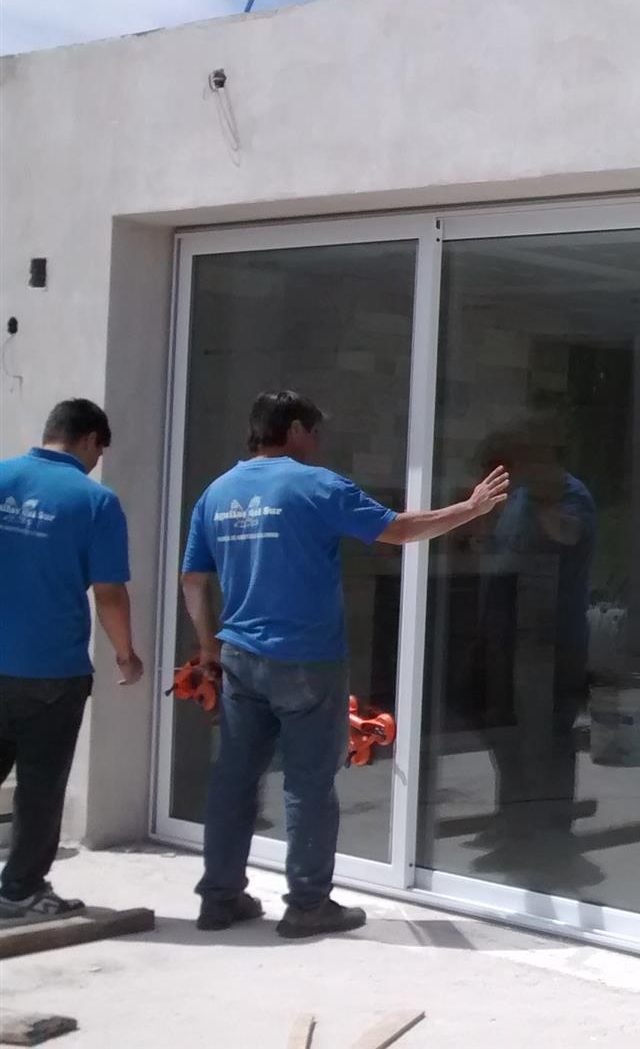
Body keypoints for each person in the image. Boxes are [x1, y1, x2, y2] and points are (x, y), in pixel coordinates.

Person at [181, 390, 509, 938]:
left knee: (234, 780)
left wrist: (208, 648)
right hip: (306, 661)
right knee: (308, 784)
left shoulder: (216, 493)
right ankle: (307, 905)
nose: (317, 444)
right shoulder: (315, 485)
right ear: (293, 429)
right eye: (314, 432)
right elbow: (397, 530)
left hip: (240, 659)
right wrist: (470, 510)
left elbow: (193, 579)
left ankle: (220, 898)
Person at [0, 400, 144, 918]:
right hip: (50, 671)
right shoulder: (95, 501)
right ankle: (19, 890)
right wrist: (126, 656)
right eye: (99, 452)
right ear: (88, 440)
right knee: (40, 786)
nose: (96, 462)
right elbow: (109, 593)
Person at [464, 421, 598, 883]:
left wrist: (540, 499)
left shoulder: (569, 494)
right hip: (508, 631)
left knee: (545, 737)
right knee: (505, 731)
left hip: (549, 639)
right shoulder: (520, 496)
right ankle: (514, 823)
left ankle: (547, 835)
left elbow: (567, 535)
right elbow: (504, 551)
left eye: (513, 462)